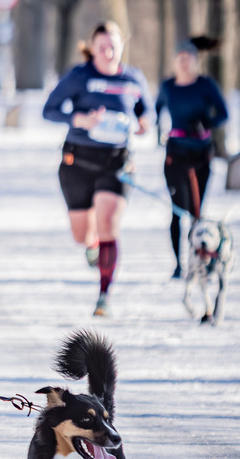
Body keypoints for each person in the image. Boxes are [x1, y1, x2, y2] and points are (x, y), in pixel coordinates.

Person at [42, 21, 155, 316]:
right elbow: (49, 109)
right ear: (92, 49)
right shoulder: (80, 76)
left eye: (112, 45)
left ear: (121, 45)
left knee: (108, 223)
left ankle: (103, 295)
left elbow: (147, 110)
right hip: (78, 161)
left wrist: (145, 123)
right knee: (82, 234)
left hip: (116, 163)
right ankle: (91, 244)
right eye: (101, 46)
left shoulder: (133, 78)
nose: (107, 51)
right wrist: (79, 119)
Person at [156, 39, 229, 278]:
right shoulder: (168, 87)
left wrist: (206, 122)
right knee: (178, 209)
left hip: (200, 154)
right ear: (175, 62)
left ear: (196, 61)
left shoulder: (205, 85)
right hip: (175, 154)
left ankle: (198, 259)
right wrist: (157, 129)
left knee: (196, 211)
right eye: (181, 59)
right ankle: (178, 264)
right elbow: (156, 108)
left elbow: (223, 113)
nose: (185, 64)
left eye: (189, 59)